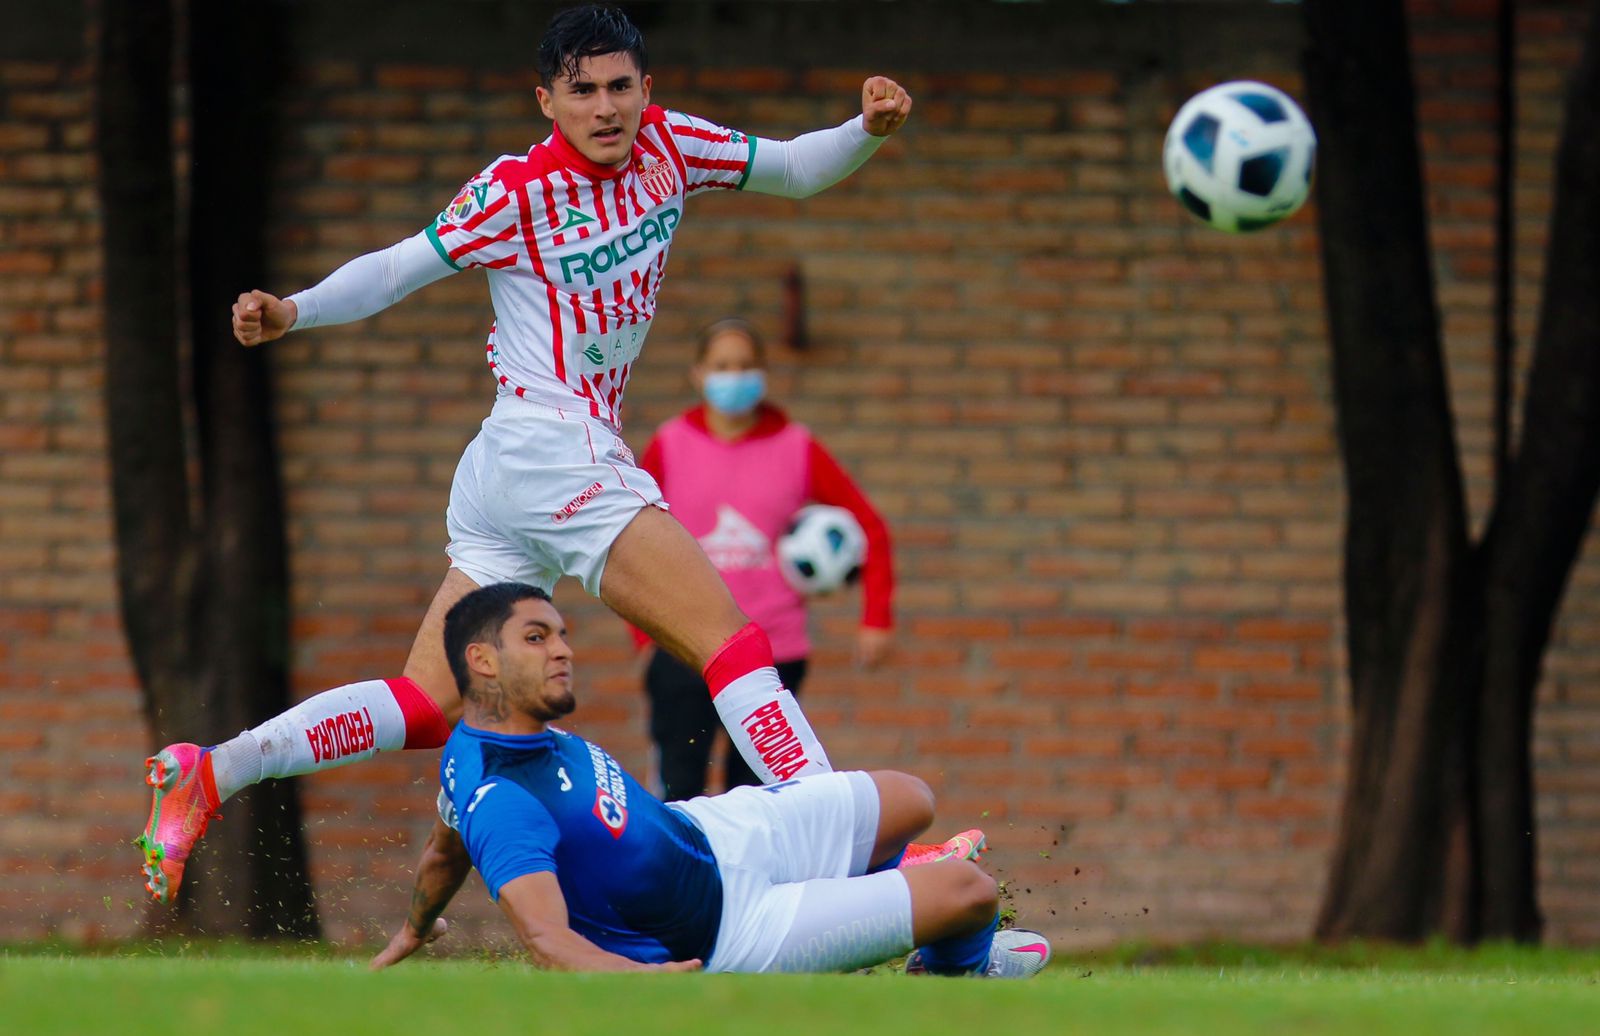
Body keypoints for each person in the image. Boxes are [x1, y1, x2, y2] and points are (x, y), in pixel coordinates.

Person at [134, 4, 975, 905]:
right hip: (549, 446)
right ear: (548, 100)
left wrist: (865, 130)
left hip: (517, 469)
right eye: (583, 92)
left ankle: (209, 772)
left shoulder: (673, 145)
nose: (606, 108)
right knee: (730, 644)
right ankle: (862, 858)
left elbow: (795, 169)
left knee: (427, 703)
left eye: (621, 87)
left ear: (646, 90)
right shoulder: (513, 191)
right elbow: (395, 267)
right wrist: (294, 310)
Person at [367, 582, 1052, 977]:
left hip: (718, 830)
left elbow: (442, 849)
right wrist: (643, 982)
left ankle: (878, 884)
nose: (565, 650)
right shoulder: (503, 800)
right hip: (731, 929)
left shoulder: (473, 753)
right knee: (971, 892)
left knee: (912, 798)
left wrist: (414, 927)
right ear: (482, 661)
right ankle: (956, 971)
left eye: (563, 634)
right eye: (538, 638)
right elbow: (547, 941)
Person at [635, 317, 898, 800]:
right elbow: (627, 537)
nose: (734, 376)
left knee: (761, 794)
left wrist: (875, 618)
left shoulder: (797, 447)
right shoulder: (669, 445)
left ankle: (755, 879)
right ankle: (682, 878)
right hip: (682, 646)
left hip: (772, 651)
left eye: (745, 365)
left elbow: (871, 529)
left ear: (764, 373)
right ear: (698, 374)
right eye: (722, 366)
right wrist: (643, 634)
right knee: (679, 789)